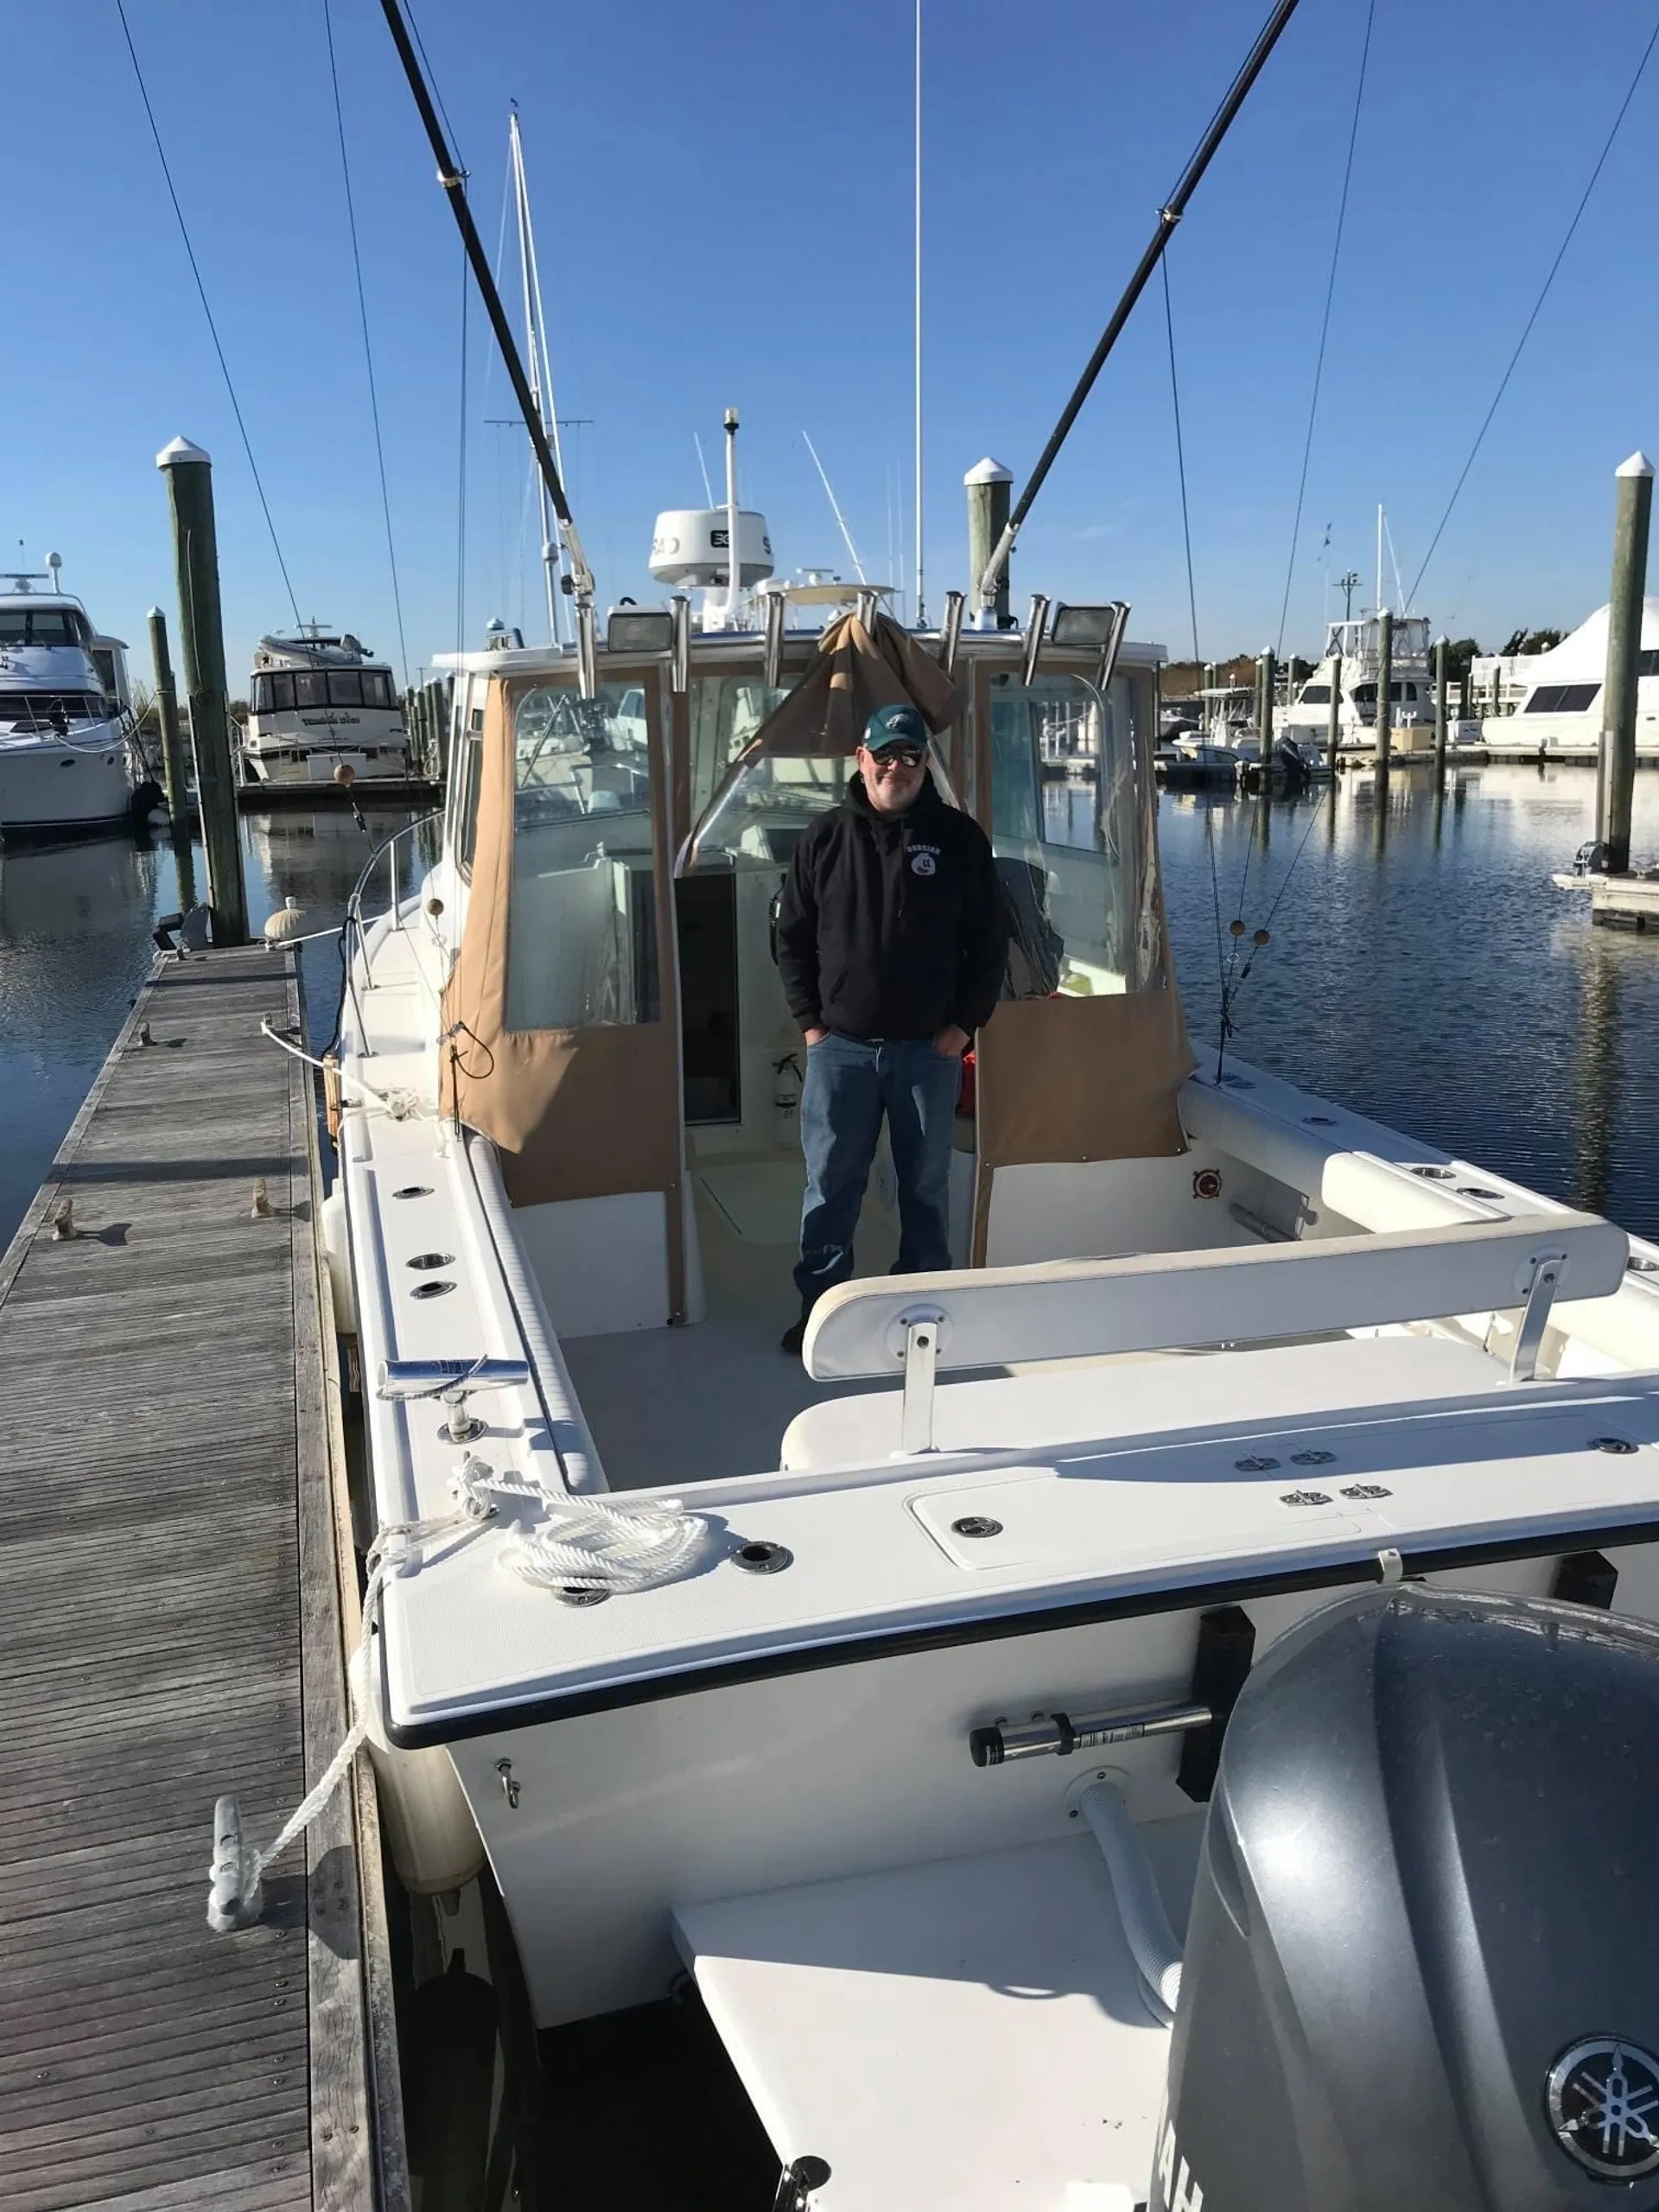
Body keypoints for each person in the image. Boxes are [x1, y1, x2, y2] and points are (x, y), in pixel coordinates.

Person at [772, 702, 1007, 1354]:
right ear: (861, 759)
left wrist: (964, 1026)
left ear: (924, 763)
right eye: (885, 755)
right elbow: (790, 938)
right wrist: (811, 1026)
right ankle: (820, 1312)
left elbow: (990, 943)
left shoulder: (960, 839)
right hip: (839, 1050)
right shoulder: (822, 839)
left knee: (925, 1187)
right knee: (831, 1185)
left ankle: (921, 1308)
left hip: (927, 1052)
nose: (896, 768)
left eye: (910, 756)